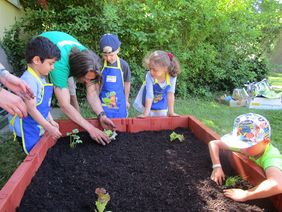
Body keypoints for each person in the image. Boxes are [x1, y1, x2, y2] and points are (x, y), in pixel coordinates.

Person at [39, 31, 115, 145]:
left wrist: (101, 115)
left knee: (72, 93)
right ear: (76, 72)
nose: (88, 83)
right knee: (45, 94)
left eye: (91, 79)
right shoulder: (59, 66)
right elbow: (64, 105)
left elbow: (92, 93)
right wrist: (91, 129)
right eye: (86, 79)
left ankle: (77, 121)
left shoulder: (88, 59)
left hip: (67, 57)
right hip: (42, 53)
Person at [209, 113, 282, 202]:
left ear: (266, 142)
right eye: (240, 144)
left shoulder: (271, 158)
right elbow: (213, 143)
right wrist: (217, 166)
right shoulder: (245, 148)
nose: (242, 149)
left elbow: (277, 184)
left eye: (247, 145)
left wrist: (246, 194)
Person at [9, 36, 62, 154]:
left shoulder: (40, 78)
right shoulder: (28, 81)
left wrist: (50, 120)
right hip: (25, 127)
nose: (52, 67)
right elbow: (32, 110)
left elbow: (42, 105)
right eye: (50, 63)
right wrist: (49, 127)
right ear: (37, 60)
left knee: (40, 149)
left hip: (36, 125)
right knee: (32, 153)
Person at [133, 50, 181, 117]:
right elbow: (149, 95)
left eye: (155, 70)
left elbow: (170, 94)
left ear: (165, 68)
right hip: (148, 99)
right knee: (149, 116)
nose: (151, 72)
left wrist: (171, 112)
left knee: (162, 116)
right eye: (150, 68)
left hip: (161, 99)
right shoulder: (149, 75)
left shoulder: (172, 77)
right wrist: (145, 114)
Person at [99, 34, 131, 118]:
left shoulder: (124, 65)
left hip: (119, 102)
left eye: (111, 55)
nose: (108, 58)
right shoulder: (99, 64)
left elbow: (127, 83)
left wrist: (126, 100)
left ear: (118, 50)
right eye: (105, 55)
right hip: (103, 102)